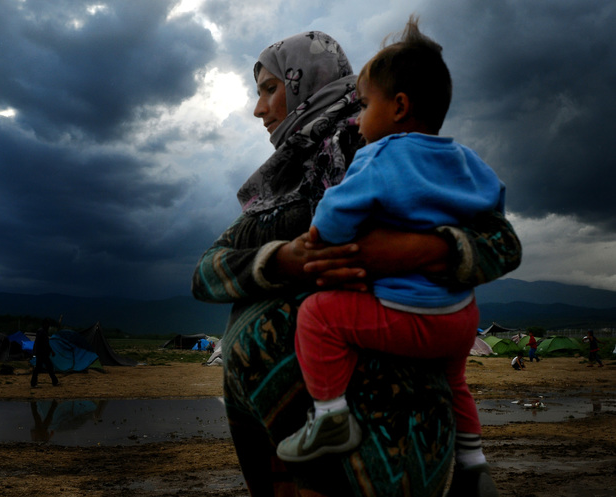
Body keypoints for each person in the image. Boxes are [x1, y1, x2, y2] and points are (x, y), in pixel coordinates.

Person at [192, 28, 521, 497]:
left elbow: (502, 241)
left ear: (310, 83)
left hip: (387, 431)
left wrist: (419, 250)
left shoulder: (387, 149)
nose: (258, 108)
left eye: (270, 89)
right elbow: (206, 271)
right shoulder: (279, 187)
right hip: (281, 429)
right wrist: (283, 260)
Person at [276, 19, 504, 495]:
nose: (357, 119)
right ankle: (474, 461)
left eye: (363, 105)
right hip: (460, 317)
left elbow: (337, 211)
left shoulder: (378, 157)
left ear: (398, 107)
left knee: (317, 316)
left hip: (406, 315)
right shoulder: (465, 159)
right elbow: (494, 205)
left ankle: (331, 417)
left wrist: (320, 236)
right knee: (455, 382)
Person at [30, 318, 59, 387]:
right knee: (41, 368)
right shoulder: (41, 332)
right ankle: (33, 383)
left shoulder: (44, 332)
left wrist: (51, 351)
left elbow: (46, 344)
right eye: (47, 324)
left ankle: (54, 381)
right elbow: (39, 343)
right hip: (41, 354)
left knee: (48, 367)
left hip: (44, 353)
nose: (48, 326)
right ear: (44, 324)